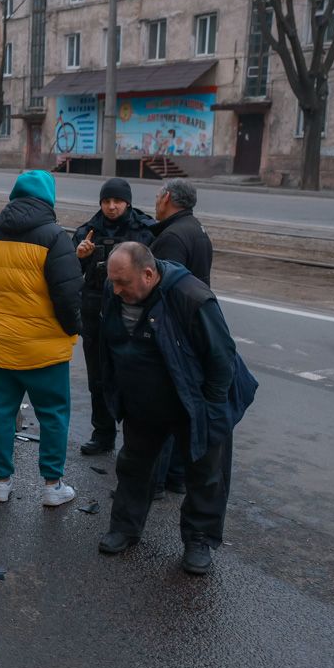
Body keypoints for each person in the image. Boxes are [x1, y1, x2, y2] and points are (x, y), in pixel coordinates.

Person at [97, 243, 256, 574]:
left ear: (149, 274)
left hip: (194, 401)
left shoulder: (192, 297)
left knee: (205, 474)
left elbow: (221, 361)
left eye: (123, 282)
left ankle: (199, 539)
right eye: (113, 281)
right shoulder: (115, 289)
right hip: (144, 399)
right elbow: (108, 344)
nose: (116, 290)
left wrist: (211, 413)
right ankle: (125, 528)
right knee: (133, 465)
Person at [0, 170, 82, 507]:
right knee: (54, 415)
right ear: (48, 199)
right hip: (45, 350)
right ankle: (51, 485)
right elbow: (69, 296)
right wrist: (72, 329)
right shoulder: (56, 237)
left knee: (1, 413)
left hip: (1, 346)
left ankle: (1, 482)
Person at [72, 178, 156, 456]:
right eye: (106, 201)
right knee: (98, 376)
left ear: (127, 202)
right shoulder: (89, 232)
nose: (111, 206)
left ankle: (135, 440)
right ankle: (103, 433)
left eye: (116, 201)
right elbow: (70, 273)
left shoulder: (144, 230)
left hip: (132, 312)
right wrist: (80, 256)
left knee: (134, 376)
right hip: (95, 312)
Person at [149, 178, 214, 495]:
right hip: (191, 328)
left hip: (174, 332)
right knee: (180, 406)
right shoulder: (196, 228)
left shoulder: (172, 237)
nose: (156, 201)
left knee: (161, 409)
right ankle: (175, 476)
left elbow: (165, 291)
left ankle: (157, 482)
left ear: (168, 198)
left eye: (158, 195)